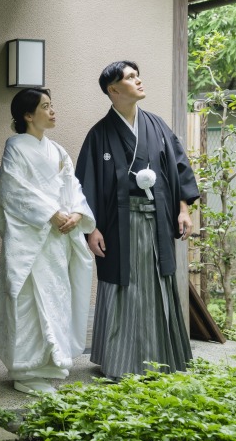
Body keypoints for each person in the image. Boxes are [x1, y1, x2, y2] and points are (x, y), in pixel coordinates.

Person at [76, 60, 200, 381]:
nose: (138, 80)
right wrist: (91, 229)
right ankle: (118, 360)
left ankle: (162, 358)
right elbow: (83, 186)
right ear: (113, 90)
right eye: (130, 77)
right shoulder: (99, 135)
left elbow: (180, 169)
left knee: (158, 285)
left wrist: (184, 209)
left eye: (137, 75)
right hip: (119, 226)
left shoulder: (156, 125)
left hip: (157, 221)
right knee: (123, 287)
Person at [0, 87, 96, 395]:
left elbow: (71, 185)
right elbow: (11, 187)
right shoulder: (16, 147)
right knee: (27, 302)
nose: (52, 111)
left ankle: (50, 365)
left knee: (55, 297)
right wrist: (50, 213)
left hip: (57, 238)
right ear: (27, 115)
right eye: (45, 106)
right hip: (32, 237)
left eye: (51, 105)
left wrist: (76, 212)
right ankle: (26, 370)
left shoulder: (58, 150)